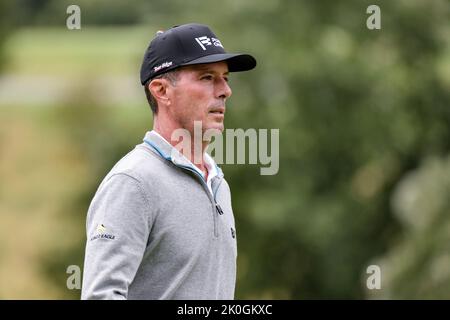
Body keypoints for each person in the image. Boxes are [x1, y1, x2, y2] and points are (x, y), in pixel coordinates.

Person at [81, 23, 256, 300]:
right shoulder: (133, 183)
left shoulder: (218, 183)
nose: (225, 91)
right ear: (161, 90)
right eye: (207, 77)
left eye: (226, 78)